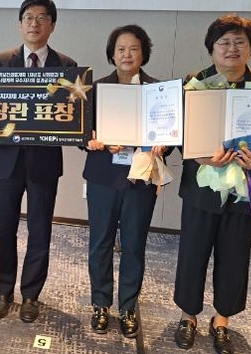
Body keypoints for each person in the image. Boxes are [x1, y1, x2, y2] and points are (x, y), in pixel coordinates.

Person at [173, 14, 251, 354]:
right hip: (202, 188)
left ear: (250, 48)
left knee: (235, 256)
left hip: (246, 189)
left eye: (240, 42)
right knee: (192, 253)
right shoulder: (196, 83)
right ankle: (188, 316)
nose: (232, 48)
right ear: (211, 48)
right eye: (224, 42)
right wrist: (199, 157)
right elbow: (179, 130)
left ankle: (222, 319)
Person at [0, 0, 77, 323]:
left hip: (44, 163)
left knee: (40, 231)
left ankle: (30, 295)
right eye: (28, 17)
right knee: (3, 228)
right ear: (20, 24)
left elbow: (72, 115)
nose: (34, 24)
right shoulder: (1, 62)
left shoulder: (67, 66)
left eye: (42, 18)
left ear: (52, 25)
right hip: (7, 162)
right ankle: (2, 291)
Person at [83, 25, 165, 338]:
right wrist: (93, 141)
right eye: (121, 49)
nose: (127, 55)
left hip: (140, 178)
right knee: (100, 242)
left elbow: (169, 134)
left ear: (144, 53)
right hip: (104, 176)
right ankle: (100, 304)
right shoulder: (97, 89)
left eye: (133, 49)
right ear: (112, 54)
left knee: (134, 244)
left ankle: (128, 306)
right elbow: (83, 133)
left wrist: (164, 145)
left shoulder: (158, 91)